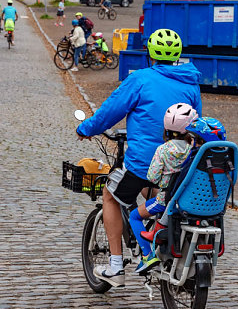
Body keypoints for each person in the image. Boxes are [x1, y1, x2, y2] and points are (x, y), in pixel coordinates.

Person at [76, 28, 202, 287]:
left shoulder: (141, 79)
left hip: (144, 160)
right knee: (157, 191)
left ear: (149, 53)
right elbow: (194, 121)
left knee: (110, 196)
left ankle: (115, 268)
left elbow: (111, 111)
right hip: (180, 163)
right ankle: (156, 244)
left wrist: (86, 129)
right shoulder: (191, 83)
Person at [129, 103, 198, 274]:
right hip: (188, 200)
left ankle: (148, 255)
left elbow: (152, 177)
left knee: (134, 216)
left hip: (165, 201)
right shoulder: (194, 149)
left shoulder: (163, 150)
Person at [140, 116, 227, 244]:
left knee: (140, 213)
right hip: (216, 207)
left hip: (186, 203)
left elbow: (178, 182)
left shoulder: (193, 158)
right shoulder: (225, 160)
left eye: (196, 140)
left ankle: (155, 240)